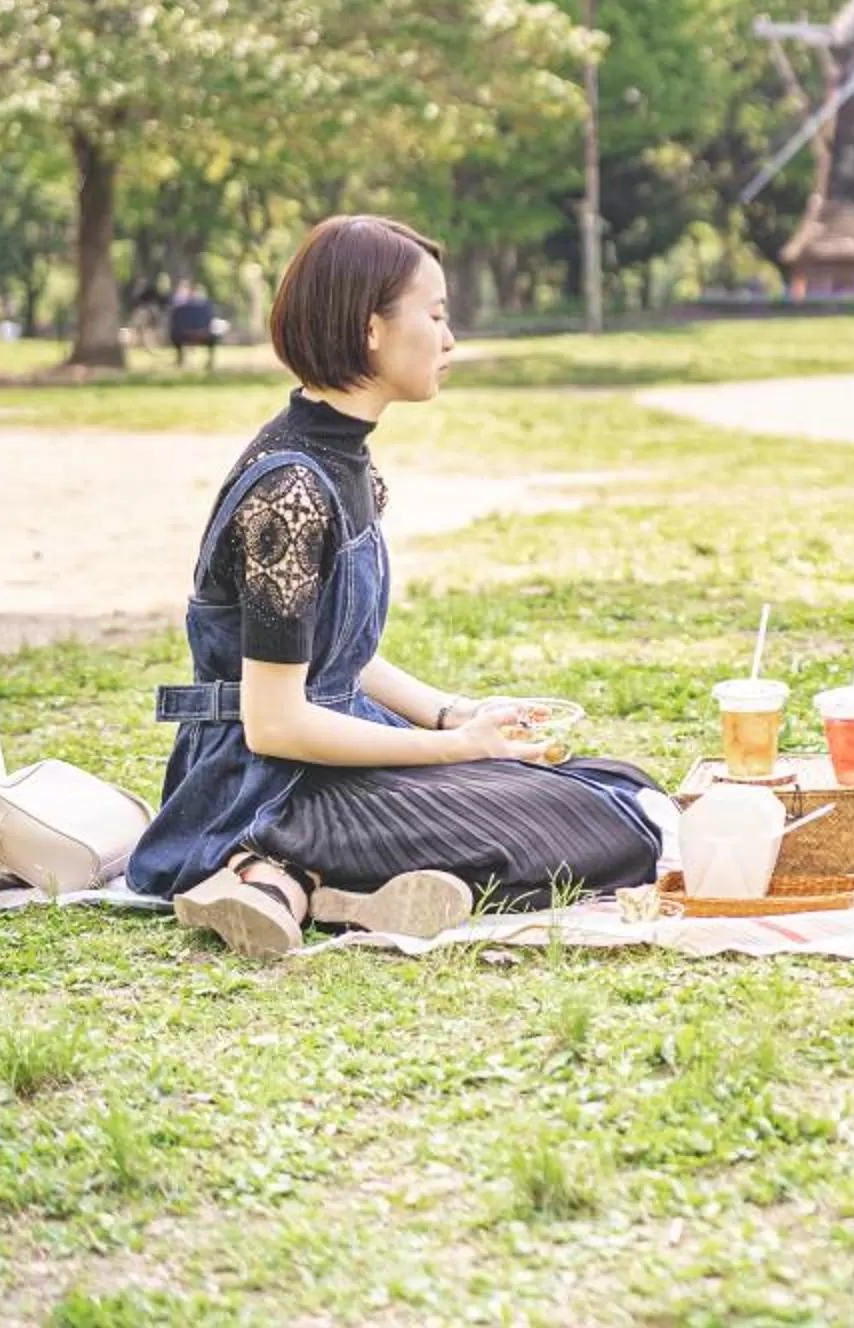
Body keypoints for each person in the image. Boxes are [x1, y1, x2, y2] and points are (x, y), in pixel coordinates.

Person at [128, 214, 668, 959]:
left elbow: (334, 651)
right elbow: (274, 723)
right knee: (610, 831)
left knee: (621, 789)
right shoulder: (292, 490)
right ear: (370, 329)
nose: (450, 340)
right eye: (437, 316)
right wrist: (459, 753)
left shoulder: (341, 462)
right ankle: (266, 865)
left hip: (326, 759)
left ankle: (315, 887)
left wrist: (454, 716)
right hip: (263, 788)